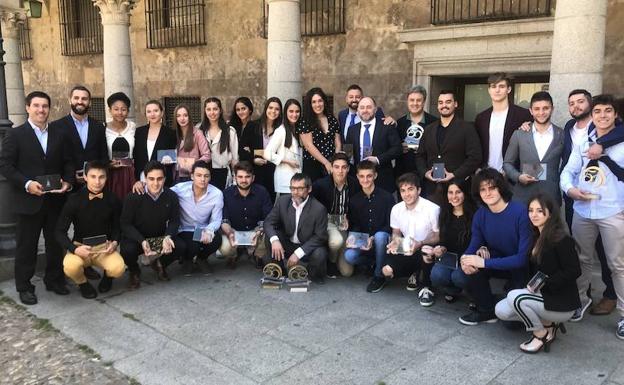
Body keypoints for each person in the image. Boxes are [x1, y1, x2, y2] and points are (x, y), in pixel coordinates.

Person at [0, 91, 74, 305]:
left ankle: (54, 280)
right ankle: (24, 286)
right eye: (37, 106)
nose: (41, 110)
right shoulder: (15, 135)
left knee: (54, 243)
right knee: (27, 246)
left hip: (54, 201)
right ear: (27, 108)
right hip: (28, 201)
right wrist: (27, 184)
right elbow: (5, 165)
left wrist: (68, 181)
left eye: (45, 106)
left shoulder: (59, 134)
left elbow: (68, 162)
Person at [560, 94, 624, 339]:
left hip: (613, 211)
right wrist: (570, 190)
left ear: (615, 114)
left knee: (618, 265)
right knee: (582, 258)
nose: (602, 115)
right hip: (583, 210)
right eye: (598, 111)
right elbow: (569, 170)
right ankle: (580, 300)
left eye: (608, 111)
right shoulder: (584, 141)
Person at [495, 194, 581, 353]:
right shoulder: (534, 236)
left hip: (561, 302)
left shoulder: (561, 239)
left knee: (515, 297)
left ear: (550, 213)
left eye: (540, 211)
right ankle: (548, 324)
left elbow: (574, 270)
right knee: (501, 311)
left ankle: (540, 334)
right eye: (530, 210)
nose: (533, 215)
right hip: (541, 294)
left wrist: (545, 284)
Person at [458, 168, 532, 325]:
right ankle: (486, 310)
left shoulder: (520, 212)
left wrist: (483, 262)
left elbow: (522, 259)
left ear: (501, 188)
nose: (487, 193)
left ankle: (508, 299)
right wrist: (465, 260)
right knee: (469, 267)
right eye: (483, 189)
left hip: (522, 269)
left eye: (492, 188)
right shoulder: (481, 214)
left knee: (511, 324)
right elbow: (474, 244)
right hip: (497, 261)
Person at [56, 160, 125, 299]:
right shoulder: (74, 200)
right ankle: (83, 284)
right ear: (85, 177)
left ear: (107, 177)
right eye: (93, 176)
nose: (97, 182)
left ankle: (108, 278)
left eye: (101, 177)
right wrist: (74, 248)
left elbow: (118, 226)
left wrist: (115, 242)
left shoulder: (113, 199)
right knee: (70, 266)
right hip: (80, 247)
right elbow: (59, 231)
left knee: (118, 268)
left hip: (104, 248)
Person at [121, 161, 183, 289]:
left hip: (158, 238)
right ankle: (134, 271)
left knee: (181, 246)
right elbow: (125, 224)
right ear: (145, 178)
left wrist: (168, 236)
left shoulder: (171, 196)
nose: (155, 183)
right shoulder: (133, 197)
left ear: (165, 179)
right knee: (127, 250)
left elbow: (175, 221)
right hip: (138, 240)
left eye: (159, 179)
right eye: (151, 179)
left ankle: (160, 263)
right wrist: (141, 240)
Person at [382, 173, 440, 306]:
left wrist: (420, 243)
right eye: (403, 190)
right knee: (387, 271)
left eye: (410, 189)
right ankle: (415, 272)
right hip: (407, 247)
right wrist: (395, 243)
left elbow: (438, 236)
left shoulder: (432, 209)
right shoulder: (396, 209)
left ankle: (427, 288)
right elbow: (396, 233)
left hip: (427, 247)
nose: (406, 194)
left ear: (419, 190)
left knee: (425, 251)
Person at [416, 90, 482, 203]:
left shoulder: (467, 128)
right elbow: (420, 156)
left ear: (455, 104)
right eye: (440, 102)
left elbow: (475, 157)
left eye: (448, 102)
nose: (444, 105)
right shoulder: (429, 129)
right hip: (433, 189)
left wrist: (454, 174)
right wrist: (425, 172)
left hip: (458, 188)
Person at [263, 173, 329, 284]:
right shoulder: (283, 201)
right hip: (288, 243)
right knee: (271, 237)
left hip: (306, 246)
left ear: (309, 189)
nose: (295, 192)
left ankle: (308, 275)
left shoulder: (319, 209)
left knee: (320, 253)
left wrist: (298, 253)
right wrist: (275, 240)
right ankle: (280, 272)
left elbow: (320, 237)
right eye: (292, 188)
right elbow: (268, 222)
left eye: (300, 188)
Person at [503, 91, 564, 204]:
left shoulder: (562, 134)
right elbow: (507, 163)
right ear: (531, 111)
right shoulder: (519, 134)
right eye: (537, 109)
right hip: (523, 196)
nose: (541, 112)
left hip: (551, 197)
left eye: (545, 108)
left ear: (552, 109)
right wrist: (518, 177)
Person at [344, 161, 395, 292]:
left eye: (369, 176)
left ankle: (379, 276)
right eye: (362, 176)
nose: (365, 180)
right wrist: (353, 238)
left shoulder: (387, 197)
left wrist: (373, 238)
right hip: (364, 240)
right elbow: (355, 225)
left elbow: (391, 225)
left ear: (375, 176)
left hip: (383, 240)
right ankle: (373, 263)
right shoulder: (354, 200)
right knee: (349, 256)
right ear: (357, 177)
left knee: (379, 236)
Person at [312, 153, 361, 278]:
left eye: (344, 167)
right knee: (336, 241)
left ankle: (335, 255)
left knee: (347, 272)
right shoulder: (320, 185)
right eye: (337, 167)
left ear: (348, 169)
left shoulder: (355, 184)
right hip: (327, 221)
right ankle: (331, 261)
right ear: (331, 168)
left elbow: (357, 209)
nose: (340, 171)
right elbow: (313, 209)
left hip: (344, 224)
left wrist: (350, 220)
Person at [171, 160, 223, 275]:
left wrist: (209, 230)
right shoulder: (180, 189)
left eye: (206, 176)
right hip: (184, 229)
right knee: (192, 245)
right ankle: (187, 260)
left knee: (217, 240)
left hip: (202, 229)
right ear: (192, 176)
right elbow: (162, 193)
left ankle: (201, 259)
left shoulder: (216, 194)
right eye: (199, 175)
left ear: (210, 177)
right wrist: (142, 184)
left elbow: (216, 219)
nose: (203, 179)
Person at [474, 73, 532, 172]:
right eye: (493, 86)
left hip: (513, 175)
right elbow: (477, 147)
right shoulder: (481, 118)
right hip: (486, 174)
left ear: (508, 89)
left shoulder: (523, 115)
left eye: (501, 86)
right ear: (489, 90)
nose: (497, 90)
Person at [430, 179, 476, 303]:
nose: (454, 196)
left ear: (465, 193)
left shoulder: (474, 214)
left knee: (459, 277)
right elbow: (444, 240)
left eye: (458, 192)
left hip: (468, 258)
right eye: (450, 192)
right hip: (450, 258)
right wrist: (441, 248)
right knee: (436, 275)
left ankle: (475, 295)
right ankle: (452, 290)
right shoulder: (444, 213)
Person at [219, 162, 272, 269]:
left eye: (247, 177)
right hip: (234, 231)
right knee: (225, 246)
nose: (244, 180)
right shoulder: (226, 194)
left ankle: (257, 255)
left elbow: (268, 217)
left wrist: (260, 230)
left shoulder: (262, 192)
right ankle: (232, 255)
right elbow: (224, 219)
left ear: (253, 178)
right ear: (235, 178)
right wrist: (229, 232)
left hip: (255, 230)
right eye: (240, 177)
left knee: (268, 232)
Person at [51, 85, 108, 185]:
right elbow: (55, 157)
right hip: (68, 185)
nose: (80, 101)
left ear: (89, 103)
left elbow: (103, 156)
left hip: (95, 184)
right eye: (76, 98)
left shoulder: (99, 126)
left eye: (84, 99)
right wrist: (70, 176)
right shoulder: (56, 127)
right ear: (70, 100)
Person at [345, 97, 402, 193]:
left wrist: (378, 159)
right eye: (362, 107)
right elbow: (348, 153)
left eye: (369, 107)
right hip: (360, 181)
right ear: (358, 110)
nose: (365, 110)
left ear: (375, 109)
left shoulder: (386, 126)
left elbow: (398, 149)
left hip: (383, 179)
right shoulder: (352, 130)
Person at [297, 87, 341, 182]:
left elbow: (337, 143)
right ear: (310, 104)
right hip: (312, 165)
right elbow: (308, 145)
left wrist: (335, 162)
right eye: (314, 102)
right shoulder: (305, 121)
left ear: (324, 102)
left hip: (331, 164)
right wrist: (326, 163)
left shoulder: (332, 120)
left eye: (320, 101)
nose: (317, 104)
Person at [395, 85, 438, 178]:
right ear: (407, 101)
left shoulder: (435, 122)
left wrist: (422, 148)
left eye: (418, 100)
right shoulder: (399, 123)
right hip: (403, 174)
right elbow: (392, 149)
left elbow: (440, 149)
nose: (415, 103)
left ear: (424, 102)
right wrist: (399, 147)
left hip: (427, 174)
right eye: (412, 100)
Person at [133, 100, 177, 189]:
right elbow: (136, 156)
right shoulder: (139, 132)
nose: (152, 114)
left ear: (162, 112)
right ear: (145, 114)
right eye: (149, 111)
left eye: (156, 111)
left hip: (161, 179)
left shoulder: (170, 133)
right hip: (142, 178)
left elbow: (172, 157)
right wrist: (136, 179)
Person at [264, 98, 303, 196]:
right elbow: (267, 153)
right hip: (286, 181)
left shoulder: (300, 130)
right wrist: (287, 161)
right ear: (285, 112)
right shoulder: (281, 130)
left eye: (297, 111)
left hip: (300, 181)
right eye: (291, 111)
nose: (294, 114)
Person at [199, 97, 239, 190]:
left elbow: (235, 158)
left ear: (220, 110)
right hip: (203, 173)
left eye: (215, 109)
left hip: (223, 173)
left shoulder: (230, 131)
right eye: (209, 109)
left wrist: (235, 178)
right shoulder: (199, 130)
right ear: (205, 111)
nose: (212, 112)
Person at [105, 92, 136, 201]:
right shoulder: (103, 129)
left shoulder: (133, 128)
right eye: (116, 109)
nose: (120, 112)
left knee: (130, 202)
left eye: (123, 109)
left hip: (130, 173)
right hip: (110, 173)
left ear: (128, 111)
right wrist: (107, 164)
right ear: (110, 110)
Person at [250, 97, 281, 201]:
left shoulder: (281, 129)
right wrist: (253, 158)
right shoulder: (253, 126)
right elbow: (242, 150)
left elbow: (280, 152)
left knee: (269, 202)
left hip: (273, 171)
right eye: (270, 107)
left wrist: (256, 151)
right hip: (256, 170)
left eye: (277, 109)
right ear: (266, 109)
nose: (273, 111)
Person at [173, 104, 210, 182]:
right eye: (178, 116)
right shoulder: (173, 134)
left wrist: (192, 165)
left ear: (189, 117)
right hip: (175, 176)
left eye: (185, 115)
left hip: (191, 176)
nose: (182, 119)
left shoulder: (197, 133)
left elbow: (207, 155)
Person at [229, 96, 257, 163]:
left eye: (243, 109)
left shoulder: (256, 126)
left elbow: (257, 150)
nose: (240, 112)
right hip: (234, 164)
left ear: (250, 110)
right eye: (238, 110)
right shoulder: (232, 127)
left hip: (249, 165)